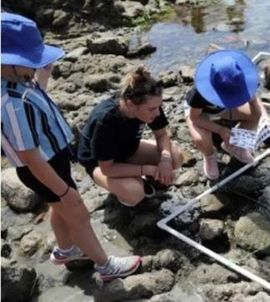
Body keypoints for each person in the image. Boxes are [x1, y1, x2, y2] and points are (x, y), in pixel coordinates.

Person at [1, 12, 141, 280]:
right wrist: (64, 189)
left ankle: (65, 249)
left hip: (51, 160)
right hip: (43, 167)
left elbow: (36, 94)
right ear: (11, 63)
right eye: (32, 62)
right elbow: (29, 155)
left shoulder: (17, 82)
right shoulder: (12, 102)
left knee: (60, 208)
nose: (35, 68)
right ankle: (106, 266)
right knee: (77, 212)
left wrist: (43, 76)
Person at [78, 65, 183, 207]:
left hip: (128, 149)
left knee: (175, 157)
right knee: (135, 193)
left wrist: (165, 160)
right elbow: (107, 168)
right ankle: (130, 185)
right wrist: (146, 169)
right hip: (100, 163)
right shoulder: (105, 120)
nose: (157, 113)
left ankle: (139, 177)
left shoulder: (150, 104)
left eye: (159, 107)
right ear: (130, 105)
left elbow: (162, 135)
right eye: (152, 109)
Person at [185, 49, 269, 180]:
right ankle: (209, 156)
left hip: (222, 108)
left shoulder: (240, 79)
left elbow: (254, 101)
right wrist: (220, 130)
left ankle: (235, 145)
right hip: (200, 112)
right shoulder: (199, 92)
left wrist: (265, 117)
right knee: (201, 138)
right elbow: (195, 118)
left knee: (256, 115)